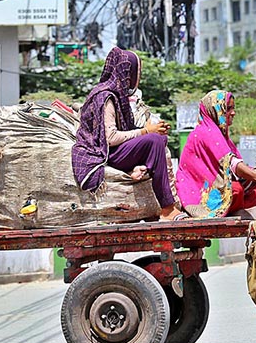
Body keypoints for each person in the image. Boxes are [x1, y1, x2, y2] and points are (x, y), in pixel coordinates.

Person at [72, 47, 185, 222]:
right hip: (103, 152)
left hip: (116, 150)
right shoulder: (106, 97)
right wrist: (146, 131)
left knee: (159, 138)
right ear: (127, 73)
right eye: (136, 72)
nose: (137, 78)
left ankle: (139, 168)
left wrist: (150, 129)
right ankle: (167, 208)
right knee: (153, 140)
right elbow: (110, 138)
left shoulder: (118, 95)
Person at [175, 89, 256, 219]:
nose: (233, 113)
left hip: (214, 183)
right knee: (236, 189)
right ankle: (234, 211)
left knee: (253, 186)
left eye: (233, 108)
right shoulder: (207, 132)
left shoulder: (222, 136)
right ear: (215, 110)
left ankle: (239, 210)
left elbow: (234, 166)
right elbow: (231, 164)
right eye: (228, 109)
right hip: (197, 193)